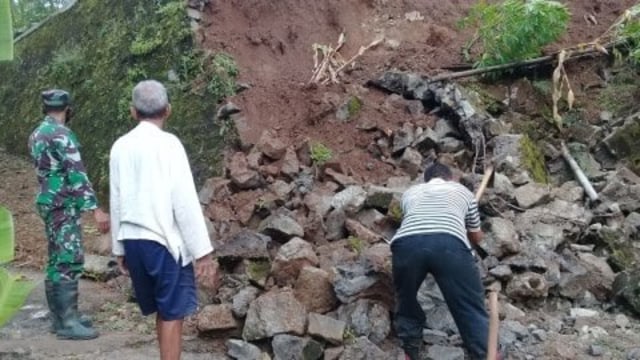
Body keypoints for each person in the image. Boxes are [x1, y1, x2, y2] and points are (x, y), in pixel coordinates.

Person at [109, 80, 217, 360]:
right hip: (162, 242)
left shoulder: (120, 146)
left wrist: (119, 248)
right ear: (168, 110)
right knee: (173, 313)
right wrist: (202, 251)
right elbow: (184, 200)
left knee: (163, 309)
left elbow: (116, 199)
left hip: (133, 240)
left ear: (133, 112)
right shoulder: (170, 145)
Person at [390, 162, 499, 360]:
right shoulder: (463, 192)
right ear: (450, 178)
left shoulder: (410, 193)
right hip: (448, 243)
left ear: (426, 180)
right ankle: (485, 353)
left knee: (405, 298)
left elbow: (415, 223)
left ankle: (410, 348)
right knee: (468, 304)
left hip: (406, 244)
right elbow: (476, 237)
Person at [28, 89, 110, 340]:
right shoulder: (63, 136)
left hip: (47, 201)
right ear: (67, 108)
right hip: (63, 203)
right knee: (69, 258)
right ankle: (67, 322)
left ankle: (59, 317)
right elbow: (76, 173)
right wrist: (95, 209)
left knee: (55, 258)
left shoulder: (37, 133)